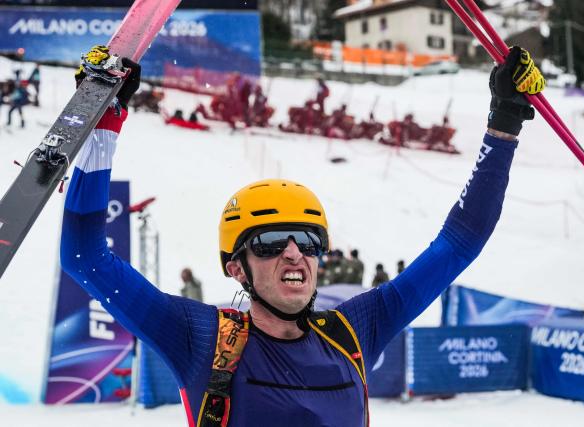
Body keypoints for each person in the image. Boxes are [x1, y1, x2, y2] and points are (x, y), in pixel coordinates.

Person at [60, 45, 544, 426]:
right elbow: (86, 258)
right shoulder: (202, 338)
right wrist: (103, 122)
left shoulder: (354, 332)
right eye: (270, 243)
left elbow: (460, 242)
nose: (294, 253)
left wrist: (503, 125)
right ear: (236, 268)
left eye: (308, 241)